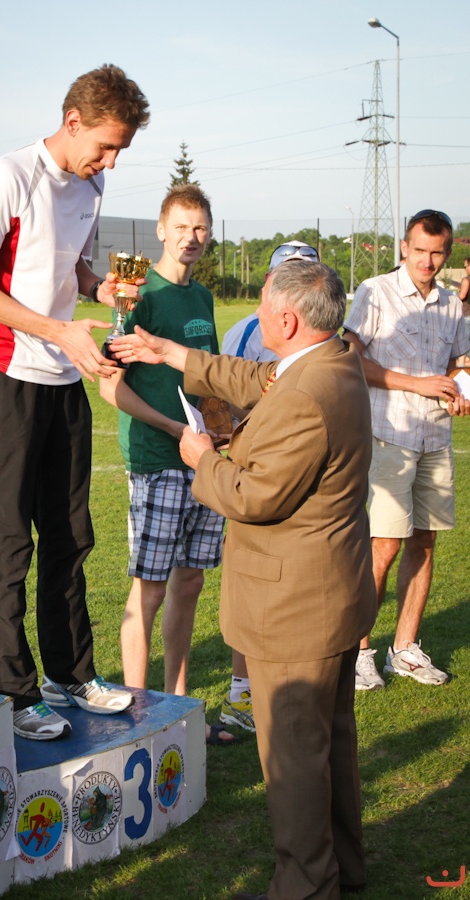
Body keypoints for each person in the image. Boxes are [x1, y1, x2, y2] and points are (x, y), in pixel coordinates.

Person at [112, 261, 377, 898]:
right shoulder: (331, 361)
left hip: (295, 610)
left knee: (293, 760)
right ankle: (341, 869)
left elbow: (253, 497)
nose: (255, 315)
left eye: (261, 305)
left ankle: (306, 886)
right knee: (330, 744)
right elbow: (255, 379)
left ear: (287, 319)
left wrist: (204, 458)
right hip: (331, 596)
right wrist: (169, 352)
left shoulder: (306, 395)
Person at [0, 64, 150, 741]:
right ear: (73, 122)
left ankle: (71, 675)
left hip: (65, 379)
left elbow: (73, 267)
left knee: (70, 537)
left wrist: (100, 291)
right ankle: (14, 695)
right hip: (4, 373)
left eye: (121, 150)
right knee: (7, 544)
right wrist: (56, 330)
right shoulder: (8, 176)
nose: (111, 161)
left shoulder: (91, 185)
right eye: (106, 146)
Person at [99, 184, 232, 744]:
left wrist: (221, 424)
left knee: (190, 583)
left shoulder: (202, 298)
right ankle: (138, 716)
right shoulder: (138, 295)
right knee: (150, 589)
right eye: (181, 227)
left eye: (200, 227)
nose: (191, 237)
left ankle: (176, 710)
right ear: (160, 230)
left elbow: (209, 377)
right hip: (158, 460)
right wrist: (175, 429)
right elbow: (110, 388)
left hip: (205, 458)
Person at [343, 209, 470, 691]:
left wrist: (462, 391)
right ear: (403, 247)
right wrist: (418, 384)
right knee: (384, 546)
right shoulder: (375, 291)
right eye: (419, 250)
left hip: (435, 437)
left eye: (437, 253)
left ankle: (405, 648)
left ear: (448, 252)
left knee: (424, 541)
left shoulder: (451, 303)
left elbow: (459, 364)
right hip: (388, 435)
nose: (427, 261)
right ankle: (358, 652)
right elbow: (351, 357)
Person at [219, 240, 319, 735]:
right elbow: (225, 396)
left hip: (304, 469)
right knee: (251, 577)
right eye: (286, 273)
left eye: (305, 273)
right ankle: (243, 688)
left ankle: (295, 686)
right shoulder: (244, 331)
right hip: (256, 467)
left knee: (298, 580)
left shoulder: (329, 338)